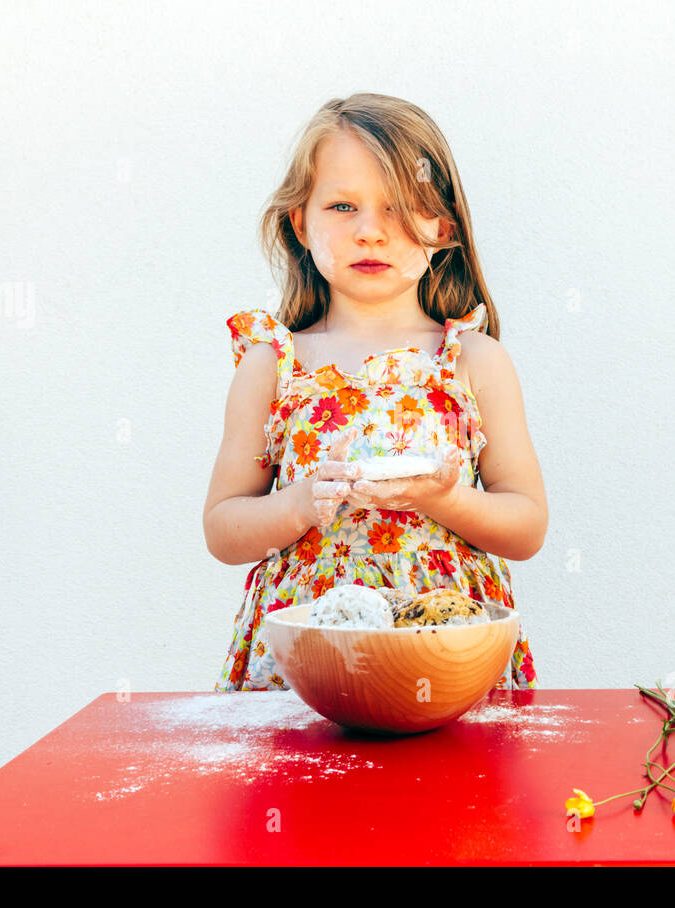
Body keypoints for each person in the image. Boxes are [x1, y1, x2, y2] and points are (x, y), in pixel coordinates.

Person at [203, 92, 547, 691]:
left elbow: (526, 526)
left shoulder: (473, 361)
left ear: (444, 226)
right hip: (305, 669)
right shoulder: (272, 365)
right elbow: (223, 529)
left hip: (446, 658)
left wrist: (447, 499)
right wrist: (297, 505)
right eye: (342, 206)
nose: (370, 232)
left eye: (399, 208)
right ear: (299, 222)